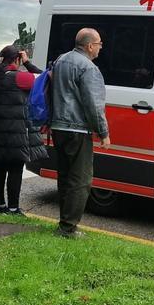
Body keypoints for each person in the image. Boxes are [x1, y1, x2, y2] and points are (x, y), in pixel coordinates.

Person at [49, 28, 109, 238]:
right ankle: (68, 228)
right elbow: (93, 104)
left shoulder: (61, 60)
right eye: (99, 44)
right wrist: (103, 132)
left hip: (58, 127)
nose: (100, 48)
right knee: (81, 180)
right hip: (78, 129)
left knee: (65, 176)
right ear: (90, 46)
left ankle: (64, 222)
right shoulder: (89, 68)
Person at [0, 45, 46, 215]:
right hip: (15, 132)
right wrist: (28, 63)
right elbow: (44, 79)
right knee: (15, 168)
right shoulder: (21, 77)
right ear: (17, 59)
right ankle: (13, 208)